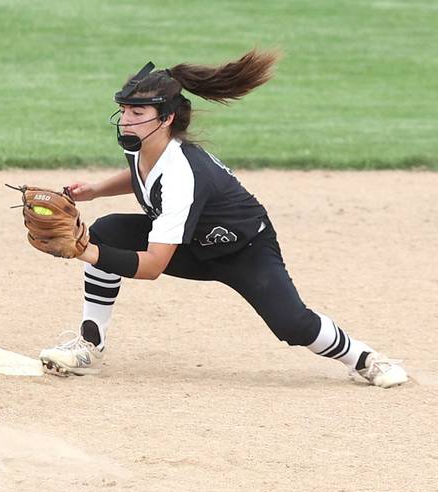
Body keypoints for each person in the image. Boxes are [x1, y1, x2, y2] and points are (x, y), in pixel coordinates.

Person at [37, 50, 408, 388]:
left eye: (138, 113)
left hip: (242, 249)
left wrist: (84, 252)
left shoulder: (183, 174)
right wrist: (96, 190)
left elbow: (152, 266)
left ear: (165, 119)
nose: (127, 121)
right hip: (192, 243)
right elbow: (143, 178)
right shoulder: (142, 145)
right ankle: (90, 344)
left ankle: (366, 359)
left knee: (292, 325)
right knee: (107, 232)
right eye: (125, 111)